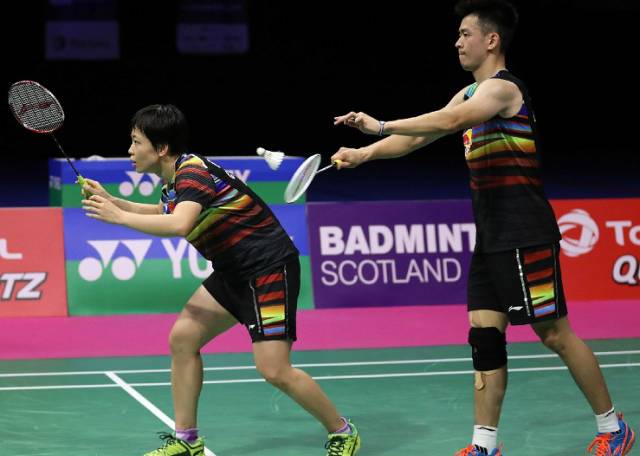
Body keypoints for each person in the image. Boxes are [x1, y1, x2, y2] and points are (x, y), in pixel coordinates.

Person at [330, 1, 635, 455]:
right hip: (491, 235)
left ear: (491, 40)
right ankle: (484, 444)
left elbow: (451, 121)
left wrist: (379, 126)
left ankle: (613, 427)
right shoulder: (469, 93)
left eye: (464, 34)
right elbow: (422, 134)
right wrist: (364, 154)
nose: (457, 42)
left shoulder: (503, 89)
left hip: (525, 231)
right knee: (484, 334)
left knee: (554, 333)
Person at [82, 104, 361, 456]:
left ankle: (343, 432)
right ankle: (187, 441)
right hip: (233, 271)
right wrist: (113, 201)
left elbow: (179, 224)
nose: (130, 150)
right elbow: (163, 212)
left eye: (137, 142)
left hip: (267, 269)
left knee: (274, 369)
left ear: (162, 148)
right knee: (184, 338)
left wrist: (119, 217)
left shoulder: (192, 174)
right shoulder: (175, 183)